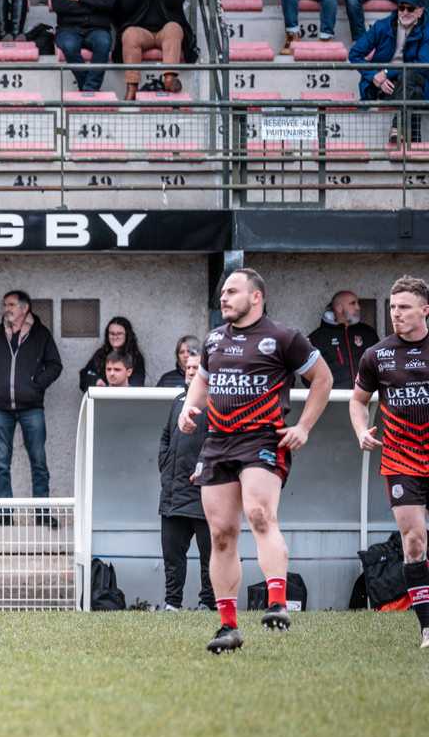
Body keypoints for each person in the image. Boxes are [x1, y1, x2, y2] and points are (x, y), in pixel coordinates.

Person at [178, 268, 331, 652]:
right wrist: (189, 407)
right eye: (222, 292)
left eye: (232, 291)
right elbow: (203, 379)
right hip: (217, 442)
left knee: (260, 514)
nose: (223, 297)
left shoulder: (283, 337)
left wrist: (304, 427)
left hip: (262, 438)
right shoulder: (214, 339)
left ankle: (277, 602)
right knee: (220, 535)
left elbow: (323, 379)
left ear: (256, 296)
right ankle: (228, 626)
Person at [350, 276, 429, 646]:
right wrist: (361, 430)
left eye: (404, 307)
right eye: (393, 307)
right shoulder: (376, 355)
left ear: (425, 310)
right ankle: (427, 627)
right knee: (413, 542)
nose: (396, 314)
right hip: (401, 459)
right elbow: (358, 400)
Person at [0, 288, 62, 522]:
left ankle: (42, 514)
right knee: (1, 464)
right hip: (0, 409)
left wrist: (36, 385)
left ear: (25, 308)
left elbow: (55, 365)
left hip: (32, 408)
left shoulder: (41, 334)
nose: (6, 309)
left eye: (11, 305)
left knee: (39, 462)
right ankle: (4, 514)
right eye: (5, 305)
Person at [158, 345, 215, 613]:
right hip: (173, 494)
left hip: (204, 493)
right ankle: (172, 603)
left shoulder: (216, 403)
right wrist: (165, 464)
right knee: (172, 556)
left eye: (197, 368)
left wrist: (206, 468)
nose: (191, 372)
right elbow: (166, 437)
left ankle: (208, 603)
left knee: (210, 555)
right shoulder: (178, 401)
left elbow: (220, 442)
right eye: (188, 367)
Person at [115, 0, 191, 98]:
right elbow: (125, 7)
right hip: (143, 31)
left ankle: (169, 79)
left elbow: (176, 3)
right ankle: (132, 87)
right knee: (130, 34)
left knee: (173, 28)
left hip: (166, 30)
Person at [351, 0, 429, 143]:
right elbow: (355, 54)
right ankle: (413, 143)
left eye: (410, 9)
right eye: (401, 8)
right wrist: (374, 76)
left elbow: (422, 64)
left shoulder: (427, 30)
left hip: (415, 79)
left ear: (420, 12)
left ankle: (398, 128)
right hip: (385, 86)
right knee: (414, 93)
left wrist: (387, 72)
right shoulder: (382, 26)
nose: (405, 12)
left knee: (409, 77)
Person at [314, 288, 380, 388]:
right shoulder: (318, 338)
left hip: (368, 395)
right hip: (333, 396)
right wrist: (327, 390)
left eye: (358, 303)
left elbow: (381, 362)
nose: (358, 307)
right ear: (339, 308)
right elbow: (309, 373)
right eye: (353, 303)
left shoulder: (368, 333)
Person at [79, 315, 146, 390]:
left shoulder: (136, 357)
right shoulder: (100, 354)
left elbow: (136, 386)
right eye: (112, 333)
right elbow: (84, 375)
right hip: (101, 396)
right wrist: (96, 381)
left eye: (119, 333)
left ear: (127, 335)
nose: (115, 337)